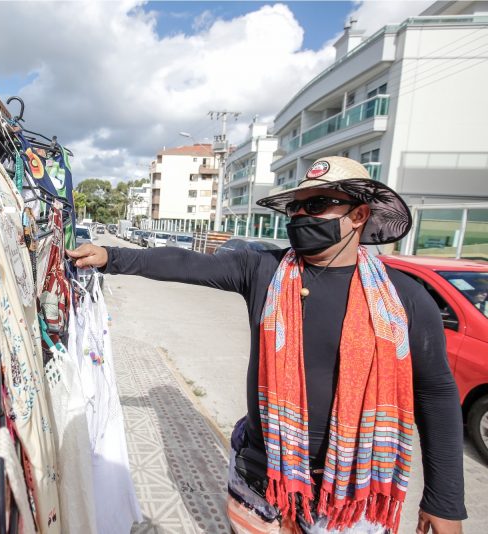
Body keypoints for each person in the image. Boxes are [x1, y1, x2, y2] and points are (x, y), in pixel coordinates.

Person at [67, 157, 466, 534]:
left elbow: (436, 394)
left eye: (318, 204)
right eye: (295, 207)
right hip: (261, 473)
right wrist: (110, 256)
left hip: (350, 493)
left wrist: (444, 498)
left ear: (358, 215)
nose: (300, 215)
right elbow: (186, 263)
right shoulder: (264, 270)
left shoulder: (405, 298)